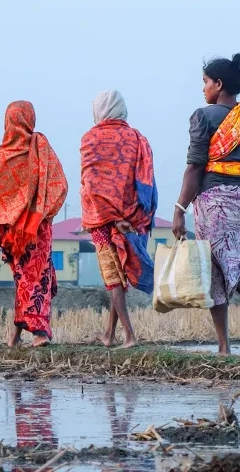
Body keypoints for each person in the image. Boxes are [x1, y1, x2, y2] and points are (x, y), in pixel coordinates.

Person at [171, 53, 240, 354]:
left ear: (218, 84)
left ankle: (224, 346)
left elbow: (194, 167)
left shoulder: (202, 117)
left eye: (205, 82)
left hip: (213, 201)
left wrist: (180, 209)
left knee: (216, 269)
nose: (203, 89)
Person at [0, 101, 68, 347]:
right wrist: (44, 213)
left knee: (25, 282)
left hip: (15, 233)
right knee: (35, 281)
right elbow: (60, 185)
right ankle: (27, 334)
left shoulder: (4, 154)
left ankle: (35, 334)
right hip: (38, 229)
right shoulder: (41, 147)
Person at [80, 90, 157, 349]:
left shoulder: (90, 139)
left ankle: (129, 335)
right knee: (119, 275)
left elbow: (92, 184)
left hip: (102, 219)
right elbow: (145, 180)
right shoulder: (137, 138)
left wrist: (111, 219)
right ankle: (109, 334)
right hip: (133, 217)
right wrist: (129, 216)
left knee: (113, 277)